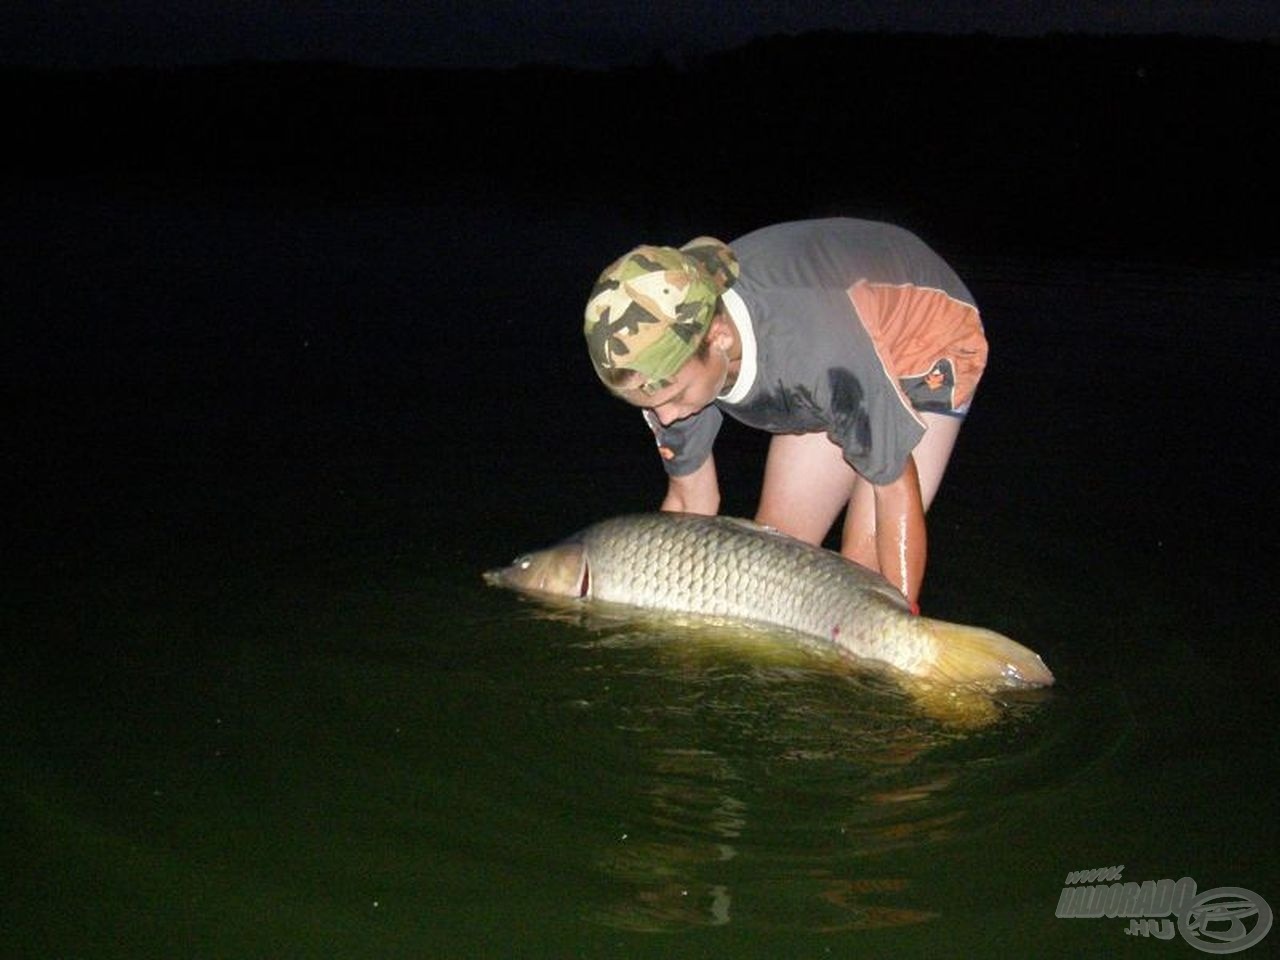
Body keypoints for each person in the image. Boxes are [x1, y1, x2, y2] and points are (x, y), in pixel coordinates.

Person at [582, 218, 987, 610]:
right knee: (775, 549)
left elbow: (895, 487)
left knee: (866, 575)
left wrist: (902, 617)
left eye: (676, 395)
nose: (666, 418)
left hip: (926, 337)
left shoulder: (818, 358)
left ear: (718, 337)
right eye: (649, 406)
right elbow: (691, 500)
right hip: (831, 345)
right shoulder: (659, 363)